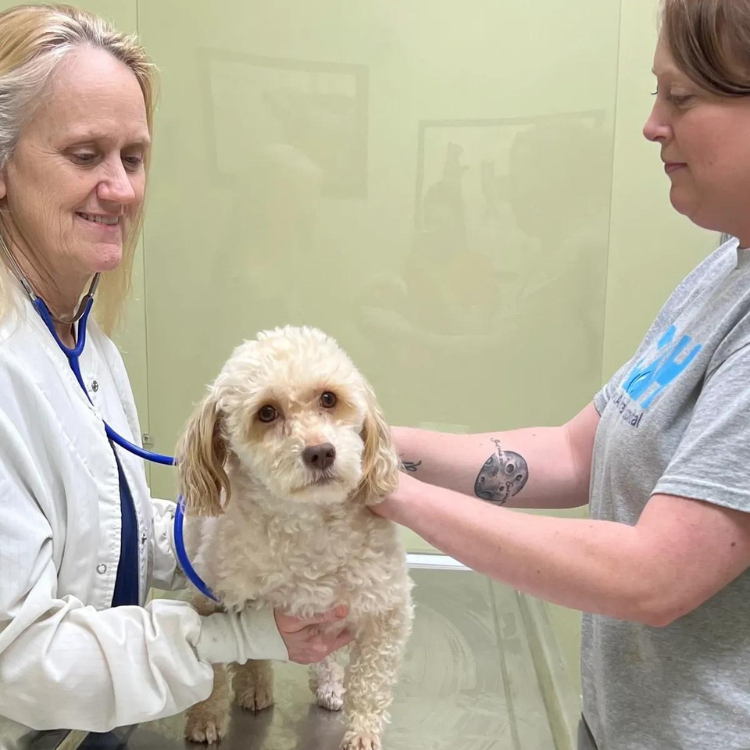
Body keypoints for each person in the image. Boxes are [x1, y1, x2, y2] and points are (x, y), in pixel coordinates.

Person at [372, 1, 750, 749]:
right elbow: (576, 451)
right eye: (655, 93)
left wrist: (384, 490)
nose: (652, 125)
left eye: (682, 97)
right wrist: (371, 440)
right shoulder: (720, 271)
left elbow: (656, 576)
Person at [0, 4, 350, 734]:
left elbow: (102, 539)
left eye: (133, 157)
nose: (123, 189)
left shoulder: (86, 345)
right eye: (85, 155)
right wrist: (244, 636)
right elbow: (20, 656)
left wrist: (258, 523)